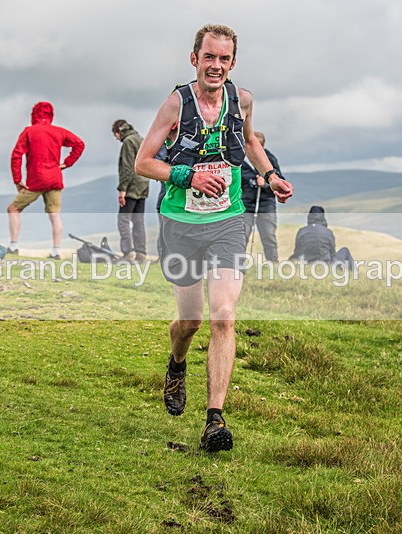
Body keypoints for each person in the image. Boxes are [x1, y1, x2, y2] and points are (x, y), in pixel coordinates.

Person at [135, 24, 293, 452]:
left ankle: (214, 420)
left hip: (228, 220)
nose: (216, 66)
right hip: (180, 222)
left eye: (224, 59)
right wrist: (188, 176)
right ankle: (176, 363)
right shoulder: (176, 103)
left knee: (224, 315)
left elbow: (249, 144)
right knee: (190, 322)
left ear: (233, 63)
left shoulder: (242, 101)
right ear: (195, 59)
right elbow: (143, 163)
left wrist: (270, 174)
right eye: (209, 57)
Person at [8, 101, 85, 259]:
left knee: (13, 209)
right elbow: (79, 144)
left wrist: (17, 179)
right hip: (55, 178)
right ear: (51, 115)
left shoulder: (29, 131)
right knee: (55, 215)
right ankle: (56, 251)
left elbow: (16, 155)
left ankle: (14, 246)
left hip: (36, 179)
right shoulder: (58, 132)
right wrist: (66, 163)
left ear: (34, 115)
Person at [112, 120, 150, 263]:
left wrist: (122, 189)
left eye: (115, 135)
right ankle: (141, 254)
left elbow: (127, 167)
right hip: (144, 183)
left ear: (118, 132)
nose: (116, 138)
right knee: (138, 220)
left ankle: (127, 254)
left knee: (123, 219)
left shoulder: (128, 142)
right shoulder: (140, 139)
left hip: (132, 185)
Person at [241, 131, 281, 261]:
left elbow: (279, 182)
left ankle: (273, 264)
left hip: (265, 203)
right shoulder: (239, 159)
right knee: (241, 236)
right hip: (245, 204)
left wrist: (265, 184)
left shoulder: (270, 160)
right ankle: (237, 265)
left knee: (268, 236)